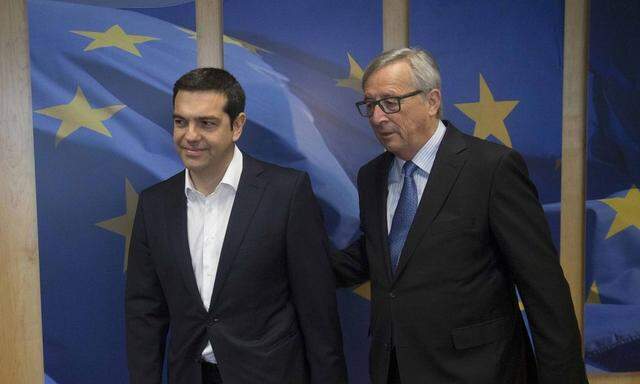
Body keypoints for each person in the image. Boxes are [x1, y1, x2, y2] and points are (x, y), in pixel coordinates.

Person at [331, 48, 588, 383]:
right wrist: (287, 263)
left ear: (432, 100)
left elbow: (543, 288)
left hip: (478, 370)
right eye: (370, 105)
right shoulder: (372, 176)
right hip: (394, 369)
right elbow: (383, 253)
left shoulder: (492, 168)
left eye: (390, 102)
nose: (378, 117)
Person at [125, 68, 347, 384]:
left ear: (237, 126)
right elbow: (144, 313)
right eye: (180, 121)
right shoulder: (154, 204)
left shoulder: (287, 193)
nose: (190, 135)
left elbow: (318, 313)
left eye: (206, 123)